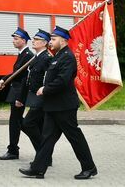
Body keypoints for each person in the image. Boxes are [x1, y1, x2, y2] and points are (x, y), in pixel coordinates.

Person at [19, 26, 97, 180]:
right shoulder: (58, 56)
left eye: (53, 39)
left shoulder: (67, 57)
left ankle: (89, 168)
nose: (51, 42)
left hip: (64, 107)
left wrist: (45, 89)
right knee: (47, 138)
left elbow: (62, 80)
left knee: (74, 137)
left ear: (63, 40)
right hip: (53, 106)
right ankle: (38, 169)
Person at [0, 27, 34, 160]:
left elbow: (24, 77)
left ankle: (16, 149)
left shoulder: (28, 55)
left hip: (20, 92)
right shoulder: (22, 54)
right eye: (14, 38)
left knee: (18, 122)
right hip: (16, 91)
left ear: (23, 41)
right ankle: (14, 149)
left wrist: (20, 97)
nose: (14, 41)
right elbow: (16, 73)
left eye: (16, 38)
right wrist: (3, 79)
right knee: (16, 121)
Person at [21, 29, 53, 159]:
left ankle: (43, 154)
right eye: (33, 39)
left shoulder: (46, 58)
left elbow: (49, 78)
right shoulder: (36, 58)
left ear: (45, 43)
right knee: (38, 126)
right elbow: (28, 78)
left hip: (42, 98)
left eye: (37, 40)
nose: (33, 41)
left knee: (27, 124)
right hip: (34, 96)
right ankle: (43, 156)